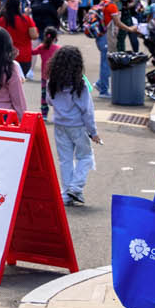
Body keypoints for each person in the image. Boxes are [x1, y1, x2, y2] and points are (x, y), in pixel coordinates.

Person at [43, 45, 100, 205]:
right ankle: (75, 188)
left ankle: (66, 194)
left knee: (65, 159)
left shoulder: (52, 82)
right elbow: (87, 111)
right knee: (86, 156)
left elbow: (49, 101)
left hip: (60, 125)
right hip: (78, 126)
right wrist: (93, 132)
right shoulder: (79, 84)